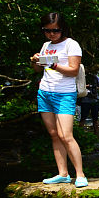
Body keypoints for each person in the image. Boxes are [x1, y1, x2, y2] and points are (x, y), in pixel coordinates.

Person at [30, 12, 88, 187]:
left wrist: (52, 64)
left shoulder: (72, 45)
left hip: (64, 94)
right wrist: (35, 61)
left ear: (63, 29)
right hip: (45, 92)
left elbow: (73, 70)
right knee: (54, 134)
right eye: (47, 30)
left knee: (66, 135)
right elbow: (38, 71)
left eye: (55, 30)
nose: (51, 34)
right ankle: (63, 173)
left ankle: (80, 175)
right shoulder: (46, 45)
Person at [77, 69, 99, 133]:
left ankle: (96, 134)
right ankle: (80, 133)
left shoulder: (96, 77)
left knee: (95, 119)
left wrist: (95, 87)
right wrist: (87, 86)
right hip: (85, 101)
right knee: (83, 118)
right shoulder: (82, 78)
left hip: (95, 100)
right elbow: (78, 87)